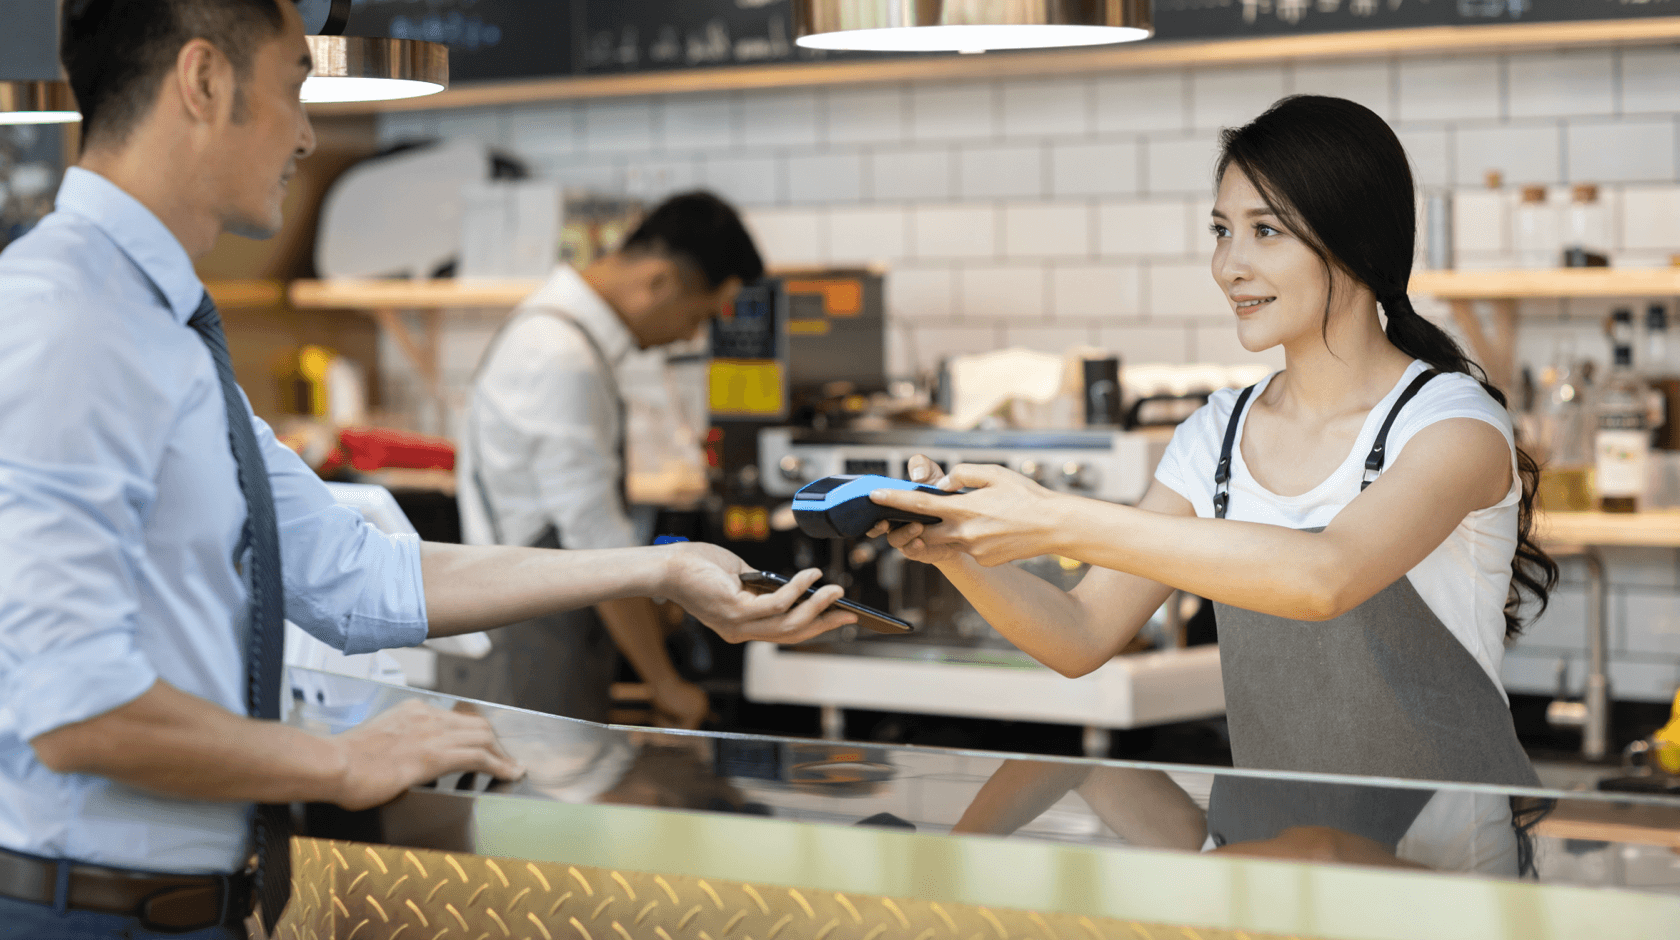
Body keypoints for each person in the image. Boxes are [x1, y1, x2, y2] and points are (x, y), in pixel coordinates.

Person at [0, 2, 855, 937]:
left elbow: (356, 577)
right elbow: (79, 711)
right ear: (204, 82)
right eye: (296, 84)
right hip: (84, 913)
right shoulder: (67, 318)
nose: (308, 133)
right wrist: (339, 761)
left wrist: (661, 567)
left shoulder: (159, 330)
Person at [871, 95, 1558, 875]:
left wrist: (1057, 520)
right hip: (1273, 877)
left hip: (1444, 894)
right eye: (1222, 231)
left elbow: (1323, 576)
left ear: (1358, 245)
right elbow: (1081, 635)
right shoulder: (1218, 436)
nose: (1229, 265)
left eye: (1265, 231)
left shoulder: (1452, 425)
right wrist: (955, 548)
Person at [451, 193, 759, 727]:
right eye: (700, 314)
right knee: (541, 803)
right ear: (661, 281)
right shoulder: (560, 356)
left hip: (547, 628)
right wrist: (665, 684)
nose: (692, 335)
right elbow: (595, 540)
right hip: (535, 643)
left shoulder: (556, 336)